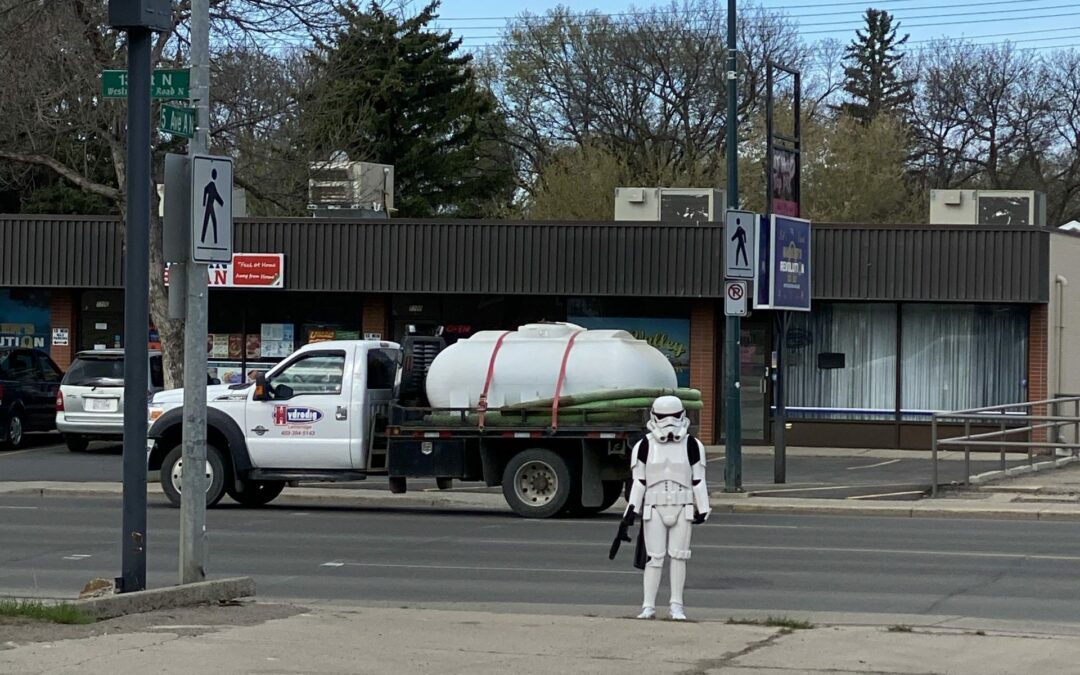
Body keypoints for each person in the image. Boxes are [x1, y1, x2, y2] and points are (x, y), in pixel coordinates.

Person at [618, 395, 710, 620]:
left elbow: (698, 479)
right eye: (663, 417)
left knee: (679, 556)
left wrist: (703, 506)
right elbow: (639, 481)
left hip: (682, 504)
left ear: (682, 416)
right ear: (654, 417)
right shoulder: (644, 445)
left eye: (674, 416)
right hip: (654, 506)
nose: (669, 422)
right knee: (654, 557)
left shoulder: (692, 445)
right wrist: (630, 511)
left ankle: (676, 605)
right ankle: (648, 605)